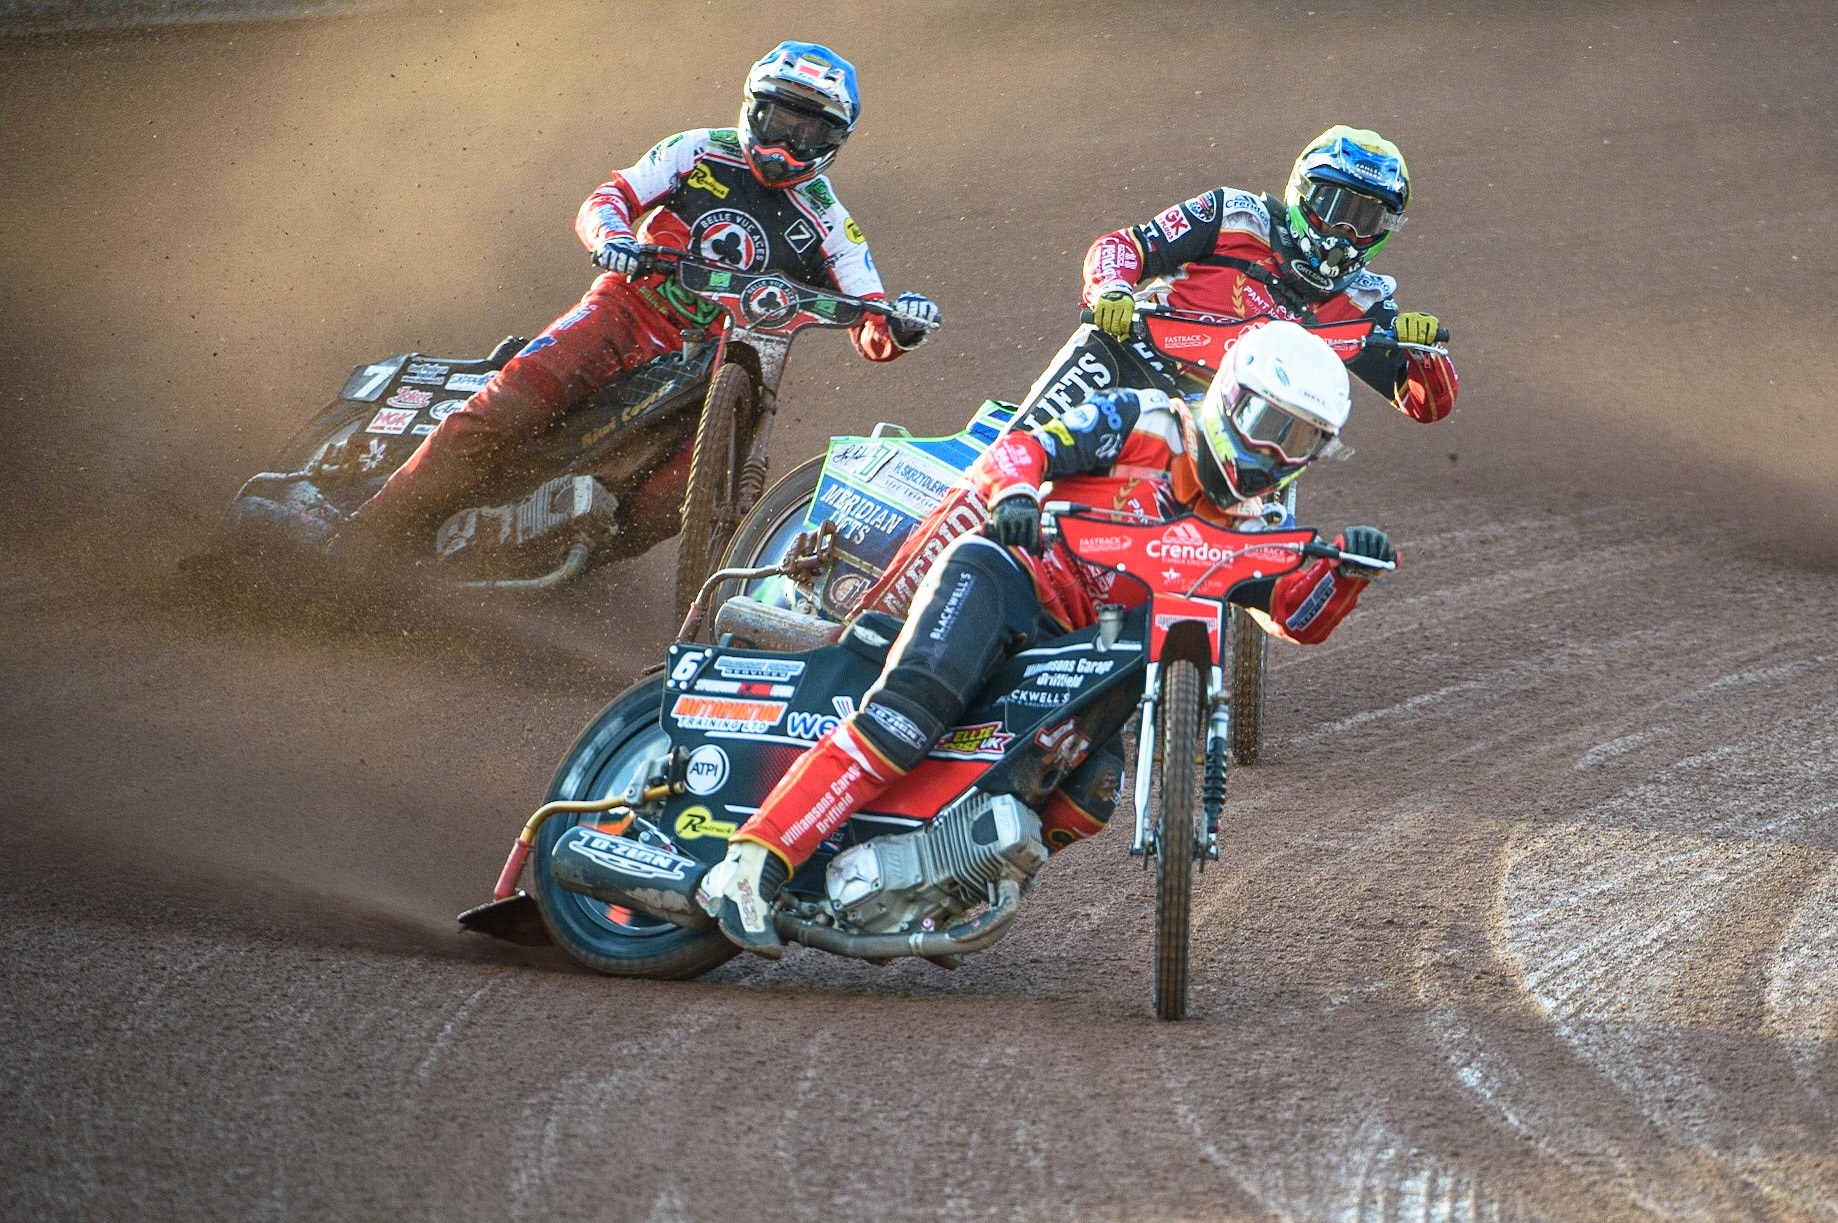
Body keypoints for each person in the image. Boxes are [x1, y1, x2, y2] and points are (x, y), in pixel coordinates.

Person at [697, 319, 1400, 957]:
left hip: (1078, 654)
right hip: (1009, 577)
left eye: (1301, 439)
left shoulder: (1253, 521)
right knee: (907, 717)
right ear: (1228, 395)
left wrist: (1346, 575)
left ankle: (937, 882)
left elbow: (1292, 616)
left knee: (1092, 790)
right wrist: (1017, 498)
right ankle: (751, 862)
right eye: (1268, 420)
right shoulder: (1146, 418)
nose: (1275, 451)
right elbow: (1025, 448)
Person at [337, 40, 939, 552]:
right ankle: (368, 531)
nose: (790, 138)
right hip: (630, 309)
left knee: (673, 501)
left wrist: (902, 325)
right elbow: (609, 197)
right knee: (513, 398)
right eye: (782, 119)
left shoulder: (830, 219)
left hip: (727, 357)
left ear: (837, 140)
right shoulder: (696, 148)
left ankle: (540, 546)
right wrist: (614, 238)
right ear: (754, 110)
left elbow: (871, 319)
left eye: (810, 130)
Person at [1079, 125, 1456, 424]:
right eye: (1334, 207)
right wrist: (1112, 289)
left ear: (1385, 229)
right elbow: (1129, 245)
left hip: (1239, 424)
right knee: (1048, 426)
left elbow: (1428, 406)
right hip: (1134, 359)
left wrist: (1425, 354)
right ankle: (1019, 457)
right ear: (1302, 191)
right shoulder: (1232, 215)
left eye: (1365, 219)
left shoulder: (1363, 299)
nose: (1345, 230)